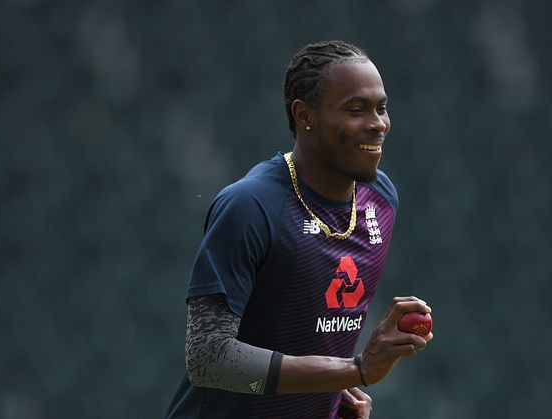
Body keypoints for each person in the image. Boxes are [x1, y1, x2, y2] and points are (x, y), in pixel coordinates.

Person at [164, 40, 433, 419]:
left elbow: (305, 333)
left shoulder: (381, 199)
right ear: (305, 115)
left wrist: (334, 390)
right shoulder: (251, 206)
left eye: (381, 108)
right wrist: (354, 370)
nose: (377, 124)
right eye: (356, 109)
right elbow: (209, 358)